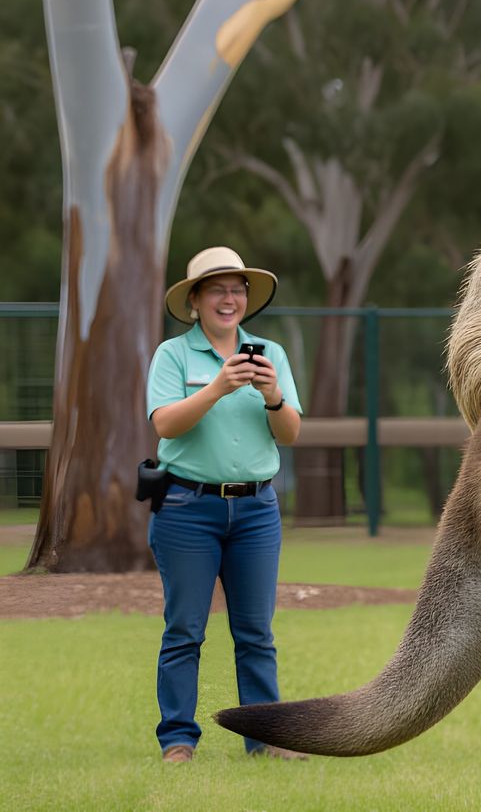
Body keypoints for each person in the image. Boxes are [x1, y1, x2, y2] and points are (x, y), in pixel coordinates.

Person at [145, 247, 306, 763]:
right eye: (217, 289)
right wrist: (217, 387)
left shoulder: (270, 354)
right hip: (187, 510)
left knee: (256, 633)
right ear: (195, 300)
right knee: (185, 630)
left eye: (237, 289)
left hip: (257, 512)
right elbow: (165, 424)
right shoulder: (173, 355)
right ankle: (177, 740)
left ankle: (265, 740)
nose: (229, 298)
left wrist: (273, 395)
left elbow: (291, 432)